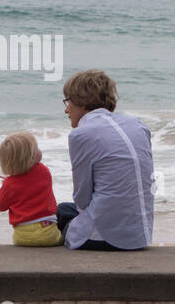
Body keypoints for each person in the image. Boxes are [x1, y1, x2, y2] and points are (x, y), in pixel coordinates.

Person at [56, 69, 155, 250]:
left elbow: (82, 198)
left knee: (60, 214)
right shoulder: (138, 125)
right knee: (65, 209)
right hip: (140, 234)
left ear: (82, 100)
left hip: (107, 238)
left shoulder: (81, 134)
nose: (66, 109)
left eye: (68, 101)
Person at [0, 132, 64, 247]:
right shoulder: (44, 171)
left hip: (21, 238)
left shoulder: (9, 184)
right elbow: (31, 185)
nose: (40, 151)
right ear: (31, 158)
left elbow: (1, 206)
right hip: (48, 233)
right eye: (36, 149)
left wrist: (5, 186)